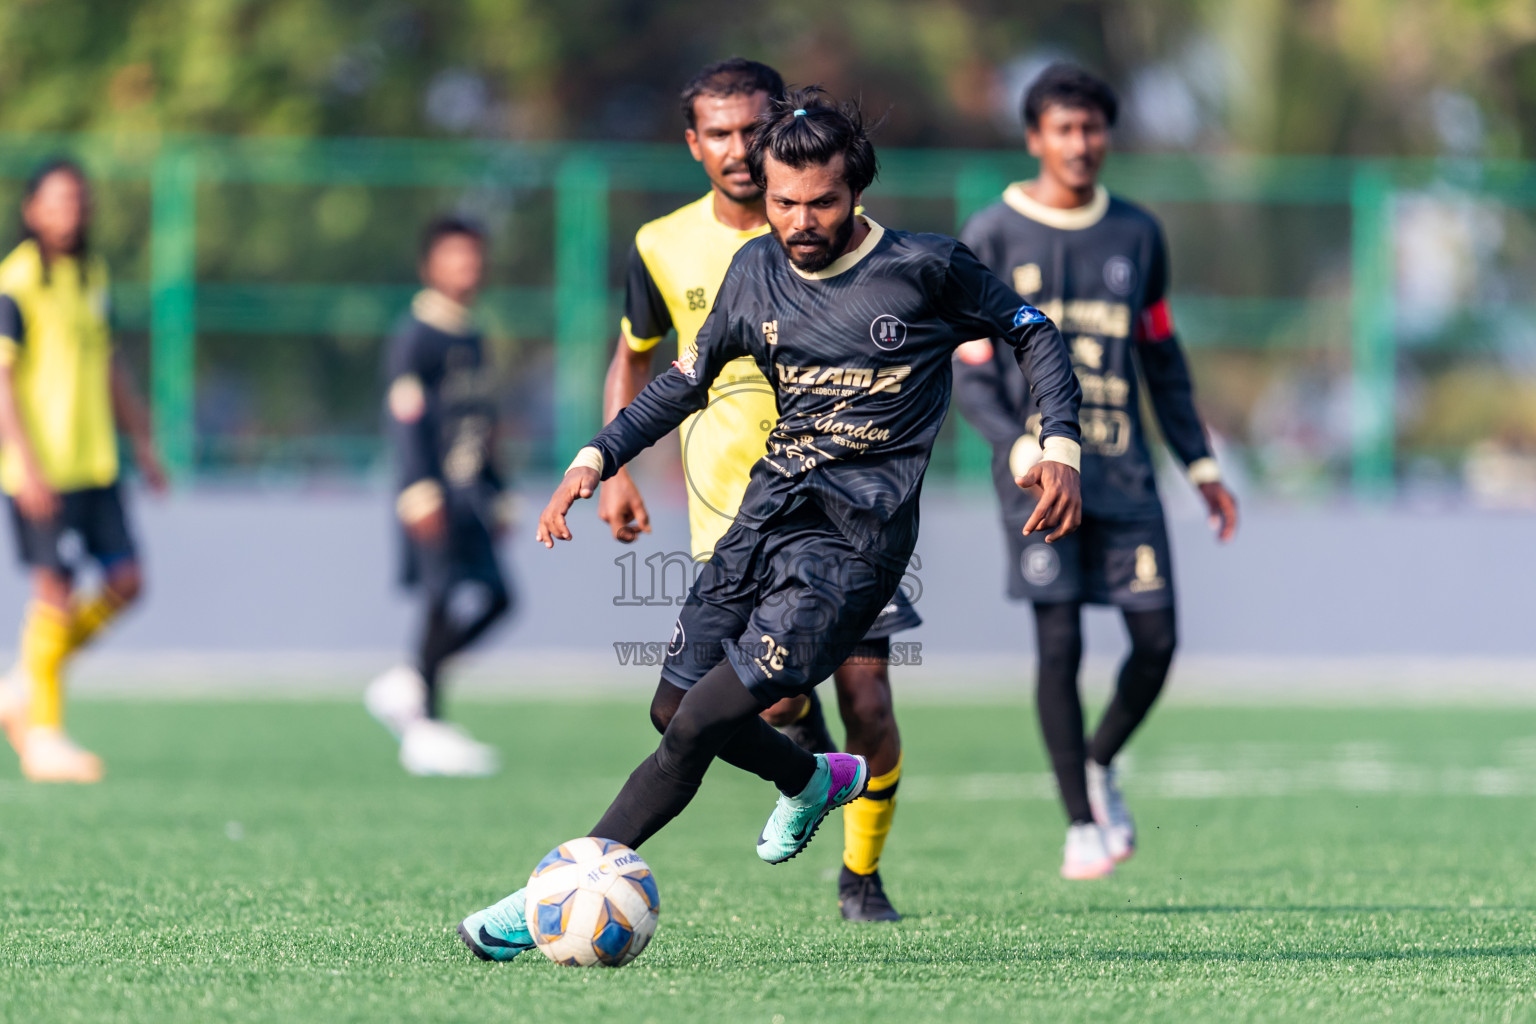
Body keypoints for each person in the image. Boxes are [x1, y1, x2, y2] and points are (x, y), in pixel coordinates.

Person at [457, 88, 1082, 961]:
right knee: (670, 701)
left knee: (697, 725)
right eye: (784, 201)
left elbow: (1034, 331)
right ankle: (810, 776)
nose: (799, 219)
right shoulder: (754, 268)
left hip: (852, 547)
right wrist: (594, 458)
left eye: (820, 201)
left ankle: (550, 896)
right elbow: (685, 380)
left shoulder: (927, 268)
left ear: (855, 188)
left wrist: (1059, 442)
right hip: (764, 515)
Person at [598, 57, 921, 921]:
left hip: (843, 515)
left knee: (868, 698)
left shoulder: (845, 237)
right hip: (731, 513)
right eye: (721, 134)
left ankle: (862, 876)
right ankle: (807, 769)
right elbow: (637, 356)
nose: (740, 149)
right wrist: (615, 464)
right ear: (694, 144)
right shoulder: (662, 244)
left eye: (754, 128)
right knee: (766, 698)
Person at [953, 64, 1239, 880]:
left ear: (1106, 137)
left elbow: (1162, 358)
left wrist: (1201, 463)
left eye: (1092, 129)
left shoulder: (1140, 236)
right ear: (1035, 137)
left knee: (1157, 640)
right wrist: (1017, 445)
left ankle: (1098, 761)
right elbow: (970, 369)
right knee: (1059, 643)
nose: (1080, 144)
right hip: (1038, 482)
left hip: (1123, 477)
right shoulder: (992, 234)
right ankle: (1080, 820)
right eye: (1064, 129)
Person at [0, 159, 166, 783]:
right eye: (58, 201)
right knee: (56, 592)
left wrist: (143, 440)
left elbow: (108, 364)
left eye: (78, 200)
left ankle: (21, 685)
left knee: (127, 582)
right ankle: (42, 737)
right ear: (33, 209)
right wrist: (25, 464)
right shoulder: (14, 282)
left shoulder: (90, 275)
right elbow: (2, 380)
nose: (71, 211)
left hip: (94, 460)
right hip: (40, 468)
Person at [365, 216, 512, 777]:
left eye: (474, 257)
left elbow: (484, 422)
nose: (467, 268)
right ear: (429, 266)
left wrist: (498, 493)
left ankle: (409, 682)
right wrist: (418, 489)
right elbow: (404, 420)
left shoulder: (473, 334)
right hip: (432, 493)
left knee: (499, 598)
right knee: (439, 598)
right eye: (454, 257)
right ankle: (423, 725)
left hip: (472, 494)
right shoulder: (416, 335)